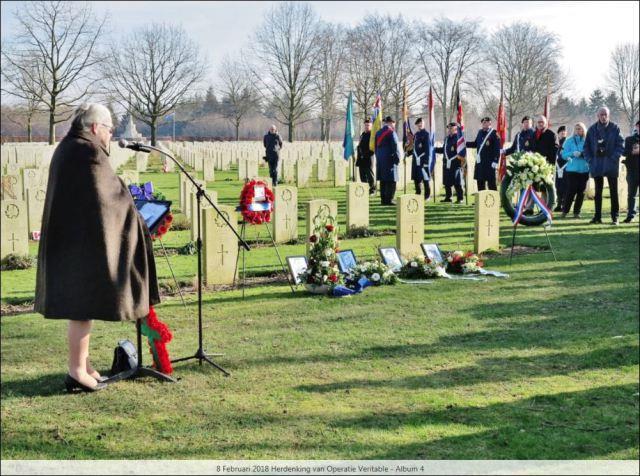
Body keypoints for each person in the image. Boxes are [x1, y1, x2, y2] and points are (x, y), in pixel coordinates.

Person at [35, 103, 160, 393]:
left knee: (82, 309)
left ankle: (84, 365)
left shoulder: (70, 147)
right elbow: (112, 199)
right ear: (94, 128)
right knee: (80, 309)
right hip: (78, 248)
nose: (110, 134)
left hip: (72, 244)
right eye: (108, 129)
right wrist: (136, 215)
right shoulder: (88, 152)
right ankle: (77, 371)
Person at [583, 106, 625, 225]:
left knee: (613, 191)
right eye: (601, 114)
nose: (603, 116)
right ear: (598, 116)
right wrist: (590, 160)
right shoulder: (592, 129)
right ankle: (597, 217)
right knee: (598, 192)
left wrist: (613, 158)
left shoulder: (615, 128)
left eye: (605, 114)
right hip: (596, 164)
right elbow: (586, 147)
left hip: (611, 164)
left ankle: (615, 217)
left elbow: (620, 145)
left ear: (609, 115)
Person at [560, 122, 589, 218]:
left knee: (581, 192)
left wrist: (582, 154)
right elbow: (563, 155)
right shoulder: (569, 141)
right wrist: (572, 153)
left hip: (584, 170)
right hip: (571, 170)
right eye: (576, 128)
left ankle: (577, 212)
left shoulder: (587, 141)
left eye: (580, 128)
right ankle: (565, 211)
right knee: (571, 191)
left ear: (583, 130)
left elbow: (591, 154)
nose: (578, 130)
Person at [466, 116, 501, 191]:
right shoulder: (480, 132)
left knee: (491, 184)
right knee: (480, 182)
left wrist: (495, 161)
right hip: (480, 162)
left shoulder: (494, 133)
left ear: (490, 123)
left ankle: (493, 201)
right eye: (483, 123)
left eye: (486, 122)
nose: (484, 124)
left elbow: (497, 148)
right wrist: (465, 144)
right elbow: (475, 144)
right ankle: (481, 200)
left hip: (489, 163)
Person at [435, 122, 465, 203]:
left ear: (455, 129)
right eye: (449, 128)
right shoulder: (447, 138)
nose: (449, 130)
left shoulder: (458, 139)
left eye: (451, 128)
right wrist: (434, 149)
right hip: (446, 163)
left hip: (455, 163)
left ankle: (460, 198)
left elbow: (461, 151)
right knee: (447, 181)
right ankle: (448, 197)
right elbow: (443, 150)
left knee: (457, 181)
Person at [375, 116, 402, 205]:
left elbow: (376, 148)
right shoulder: (391, 133)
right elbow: (395, 146)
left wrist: (379, 158)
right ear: (390, 123)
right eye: (393, 123)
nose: (394, 125)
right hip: (390, 160)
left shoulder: (378, 133)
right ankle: (389, 199)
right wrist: (398, 159)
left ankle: (383, 200)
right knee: (391, 181)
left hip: (380, 161)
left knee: (383, 181)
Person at [622, 120, 639, 223]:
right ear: (636, 126)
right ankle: (631, 215)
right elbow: (624, 152)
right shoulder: (629, 139)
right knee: (631, 194)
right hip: (632, 170)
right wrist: (633, 151)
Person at [410, 117, 432, 200]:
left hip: (423, 159)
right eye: (418, 124)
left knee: (425, 178)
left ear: (424, 124)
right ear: (416, 125)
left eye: (421, 123)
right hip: (416, 159)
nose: (420, 125)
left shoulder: (426, 134)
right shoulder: (416, 134)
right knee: (416, 177)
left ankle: (427, 195)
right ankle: (418, 193)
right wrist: (408, 152)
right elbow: (414, 147)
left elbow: (427, 149)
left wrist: (426, 161)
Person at [356, 119, 376, 195]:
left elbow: (372, 148)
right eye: (365, 125)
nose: (366, 126)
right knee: (362, 176)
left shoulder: (372, 135)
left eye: (368, 125)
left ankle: (372, 190)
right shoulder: (363, 134)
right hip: (361, 158)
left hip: (368, 158)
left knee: (370, 175)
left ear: (371, 126)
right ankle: (365, 189)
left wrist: (365, 155)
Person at [555, 125, 568, 212]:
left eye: (564, 132)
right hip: (557, 167)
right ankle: (559, 204)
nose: (563, 133)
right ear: (558, 134)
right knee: (558, 186)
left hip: (566, 167)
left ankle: (564, 204)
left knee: (565, 186)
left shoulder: (568, 143)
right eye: (561, 132)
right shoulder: (556, 145)